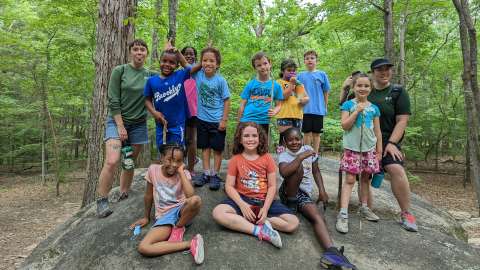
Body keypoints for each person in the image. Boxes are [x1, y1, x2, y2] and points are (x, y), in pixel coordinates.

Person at [278, 127, 357, 269]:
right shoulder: (284, 155)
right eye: (290, 140)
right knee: (298, 168)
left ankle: (332, 254)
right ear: (285, 141)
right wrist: (300, 157)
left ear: (302, 139)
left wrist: (322, 191)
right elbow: (284, 172)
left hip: (303, 195)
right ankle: (291, 204)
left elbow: (316, 170)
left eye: (297, 139)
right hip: (288, 191)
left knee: (317, 216)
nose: (294, 142)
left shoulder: (308, 149)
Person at [212, 122, 299, 248]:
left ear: (260, 138)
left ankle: (261, 221)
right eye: (246, 136)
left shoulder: (267, 158)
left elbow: (272, 186)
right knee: (218, 213)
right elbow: (229, 186)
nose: (251, 139)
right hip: (242, 199)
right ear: (240, 139)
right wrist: (242, 206)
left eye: (254, 135)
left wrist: (265, 209)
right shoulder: (235, 159)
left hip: (264, 201)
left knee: (293, 223)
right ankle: (258, 231)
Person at [96, 39, 154, 218]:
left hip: (138, 124)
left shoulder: (151, 75)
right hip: (116, 121)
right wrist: (120, 126)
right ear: (130, 52)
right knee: (112, 160)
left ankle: (124, 192)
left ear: (147, 53)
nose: (139, 52)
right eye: (135, 49)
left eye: (142, 50)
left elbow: (171, 78)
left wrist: (172, 51)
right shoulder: (120, 71)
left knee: (129, 161)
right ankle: (102, 200)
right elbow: (113, 99)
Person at [130, 143, 204, 264]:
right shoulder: (153, 170)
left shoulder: (184, 174)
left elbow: (191, 196)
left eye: (178, 161)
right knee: (143, 247)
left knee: (196, 200)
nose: (174, 164)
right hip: (164, 217)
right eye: (170, 159)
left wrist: (181, 172)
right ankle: (190, 243)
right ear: (162, 158)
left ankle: (179, 227)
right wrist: (146, 217)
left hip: (182, 211)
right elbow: (148, 195)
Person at [368, 58, 418, 232]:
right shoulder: (365, 89)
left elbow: (402, 120)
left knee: (396, 169)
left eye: (387, 69)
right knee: (362, 175)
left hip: (389, 141)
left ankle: (406, 213)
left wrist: (391, 143)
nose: (384, 72)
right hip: (366, 142)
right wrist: (345, 88)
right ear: (372, 72)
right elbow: (348, 108)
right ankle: (366, 209)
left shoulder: (398, 91)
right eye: (380, 70)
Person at [336, 73, 382, 234]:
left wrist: (379, 151)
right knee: (349, 179)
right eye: (359, 85)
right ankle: (343, 213)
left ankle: (364, 207)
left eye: (366, 86)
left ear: (371, 88)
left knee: (365, 179)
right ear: (354, 87)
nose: (363, 88)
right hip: (352, 148)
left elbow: (377, 131)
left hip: (369, 149)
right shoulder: (348, 105)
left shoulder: (374, 108)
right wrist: (356, 111)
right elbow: (345, 126)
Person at [190, 47, 230, 191]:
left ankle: (215, 174)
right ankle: (206, 173)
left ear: (217, 64)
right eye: (205, 60)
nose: (208, 63)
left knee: (217, 149)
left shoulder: (221, 81)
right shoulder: (198, 75)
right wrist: (200, 63)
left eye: (212, 61)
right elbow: (187, 68)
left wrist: (224, 120)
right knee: (205, 147)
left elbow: (226, 100)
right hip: (202, 119)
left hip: (217, 120)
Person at [144, 46, 197, 150]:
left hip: (178, 125)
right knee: (163, 151)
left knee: (177, 151)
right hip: (161, 124)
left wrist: (177, 52)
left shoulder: (180, 75)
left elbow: (189, 68)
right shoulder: (151, 81)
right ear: (160, 61)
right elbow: (147, 99)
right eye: (164, 61)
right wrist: (154, 112)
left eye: (172, 62)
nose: (167, 64)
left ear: (177, 65)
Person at [237, 52, 283, 136]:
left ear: (270, 64)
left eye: (265, 63)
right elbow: (242, 105)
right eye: (259, 65)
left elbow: (279, 105)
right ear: (255, 68)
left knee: (262, 146)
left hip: (264, 120)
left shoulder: (275, 86)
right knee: (247, 145)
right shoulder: (250, 84)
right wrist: (239, 124)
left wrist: (274, 111)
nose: (263, 67)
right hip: (248, 119)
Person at [298, 50, 331, 153]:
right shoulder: (300, 75)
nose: (309, 60)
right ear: (304, 61)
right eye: (307, 58)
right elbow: (297, 92)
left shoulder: (322, 74)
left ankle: (315, 154)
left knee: (317, 134)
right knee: (306, 133)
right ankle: (306, 154)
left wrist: (325, 106)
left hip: (318, 109)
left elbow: (326, 91)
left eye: (312, 58)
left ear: (316, 60)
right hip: (305, 110)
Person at [275, 59, 309, 153]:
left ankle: (296, 163)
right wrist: (291, 84)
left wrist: (304, 100)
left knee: (296, 141)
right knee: (286, 139)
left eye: (294, 70)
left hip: (297, 115)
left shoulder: (299, 84)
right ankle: (283, 162)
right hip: (284, 115)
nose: (292, 72)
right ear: (283, 71)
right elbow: (283, 96)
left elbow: (305, 98)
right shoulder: (278, 83)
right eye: (289, 70)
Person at [181, 46, 199, 176]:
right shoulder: (177, 72)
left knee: (191, 139)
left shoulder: (197, 71)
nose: (189, 56)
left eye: (192, 54)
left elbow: (189, 67)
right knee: (181, 138)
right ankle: (181, 164)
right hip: (179, 110)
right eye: (186, 54)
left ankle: (191, 168)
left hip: (193, 111)